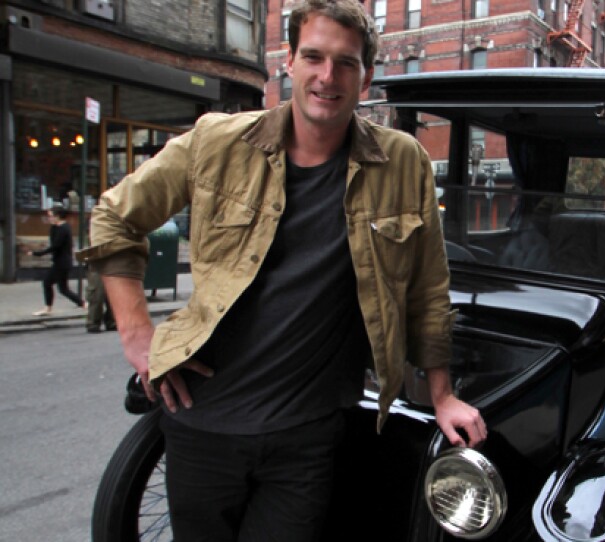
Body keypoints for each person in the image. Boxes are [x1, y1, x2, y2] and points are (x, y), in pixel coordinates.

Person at [78, 1, 486, 539]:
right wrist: (137, 335)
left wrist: (442, 394)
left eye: (346, 63)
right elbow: (113, 217)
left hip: (306, 437)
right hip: (202, 425)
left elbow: (429, 290)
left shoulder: (402, 161)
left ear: (366, 78)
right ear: (288, 62)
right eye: (313, 57)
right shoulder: (217, 141)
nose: (327, 76)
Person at [29, 206, 86, 316]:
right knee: (60, 287)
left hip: (63, 263)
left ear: (57, 216)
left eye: (50, 216)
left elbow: (55, 246)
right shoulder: (55, 228)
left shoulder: (64, 229)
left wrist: (38, 253)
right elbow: (53, 243)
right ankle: (82, 304)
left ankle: (49, 308)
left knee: (52, 284)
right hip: (60, 262)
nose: (49, 218)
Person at [85, 263, 116, 333]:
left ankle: (112, 320)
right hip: (97, 260)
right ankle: (93, 321)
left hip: (115, 261)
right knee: (97, 293)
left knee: (114, 293)